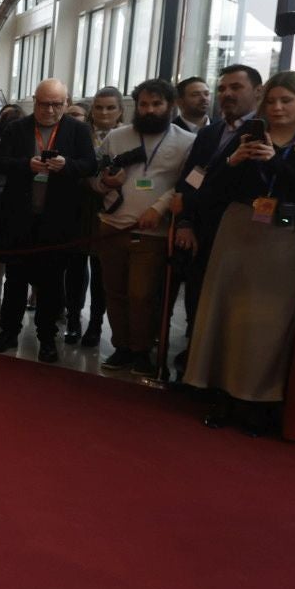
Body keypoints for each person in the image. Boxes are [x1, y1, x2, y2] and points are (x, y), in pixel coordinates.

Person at [184, 72, 295, 436]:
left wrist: (276, 163)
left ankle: (255, 401)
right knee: (226, 313)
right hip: (237, 228)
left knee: (266, 324)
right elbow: (209, 189)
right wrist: (234, 161)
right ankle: (220, 393)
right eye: (271, 101)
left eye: (286, 101)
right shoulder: (247, 135)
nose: (278, 108)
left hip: (284, 237)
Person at [88, 79, 194, 377]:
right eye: (144, 104)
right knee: (115, 291)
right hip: (112, 225)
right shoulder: (117, 137)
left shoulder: (187, 141)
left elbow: (184, 185)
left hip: (153, 232)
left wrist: (158, 208)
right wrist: (105, 183)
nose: (149, 110)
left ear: (169, 106)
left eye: (156, 104)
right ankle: (121, 346)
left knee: (142, 295)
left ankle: (141, 350)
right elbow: (94, 177)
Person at [0, 79, 95, 363]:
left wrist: (66, 165)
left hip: (57, 221)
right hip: (20, 217)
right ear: (34, 101)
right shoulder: (17, 128)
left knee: (51, 284)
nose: (50, 109)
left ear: (66, 103)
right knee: (15, 281)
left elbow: (90, 165)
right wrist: (26, 164)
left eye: (57, 104)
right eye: (44, 103)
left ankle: (47, 337)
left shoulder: (78, 130)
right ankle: (9, 331)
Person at [172, 65, 263, 357]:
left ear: (257, 92)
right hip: (201, 230)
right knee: (196, 299)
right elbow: (190, 179)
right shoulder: (210, 134)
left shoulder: (263, 134)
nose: (227, 94)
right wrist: (185, 222)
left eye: (236, 87)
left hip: (241, 234)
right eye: (222, 88)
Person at [65, 87, 123, 348]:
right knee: (76, 269)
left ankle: (96, 323)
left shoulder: (127, 137)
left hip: (112, 210)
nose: (104, 112)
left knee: (101, 272)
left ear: (120, 110)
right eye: (99, 107)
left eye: (110, 107)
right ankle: (73, 320)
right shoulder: (80, 134)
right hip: (79, 207)